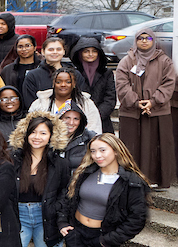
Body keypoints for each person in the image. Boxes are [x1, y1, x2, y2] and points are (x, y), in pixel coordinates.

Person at [2, 113, 71, 247]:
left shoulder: (59, 163)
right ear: (26, 133)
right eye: (33, 132)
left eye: (43, 132)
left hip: (45, 217)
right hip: (18, 214)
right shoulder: (13, 158)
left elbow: (64, 193)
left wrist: (59, 216)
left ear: (51, 136)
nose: (37, 137)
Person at [116, 28, 177, 188]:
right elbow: (122, 84)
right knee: (132, 147)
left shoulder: (164, 61)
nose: (144, 41)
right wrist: (136, 102)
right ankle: (132, 181)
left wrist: (153, 101)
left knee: (156, 147)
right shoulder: (127, 61)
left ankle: (156, 180)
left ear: (153, 40)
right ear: (135, 41)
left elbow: (169, 83)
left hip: (157, 111)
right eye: (140, 38)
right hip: (132, 112)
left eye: (148, 38)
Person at [28, 68, 103, 133]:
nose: (63, 85)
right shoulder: (39, 103)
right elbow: (31, 127)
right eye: (58, 82)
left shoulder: (86, 103)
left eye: (68, 82)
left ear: (74, 84)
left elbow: (94, 129)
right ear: (53, 84)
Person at [72, 37, 117, 135]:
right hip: (79, 121)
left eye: (94, 51)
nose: (90, 54)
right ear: (80, 53)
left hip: (103, 120)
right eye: (86, 51)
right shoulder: (74, 73)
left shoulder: (106, 73)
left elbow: (110, 99)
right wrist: (83, 117)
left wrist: (95, 116)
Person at [23, 36, 78, 104]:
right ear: (43, 51)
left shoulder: (74, 73)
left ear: (64, 51)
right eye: (51, 49)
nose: (55, 52)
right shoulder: (33, 76)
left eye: (58, 49)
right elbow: (30, 102)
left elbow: (81, 98)